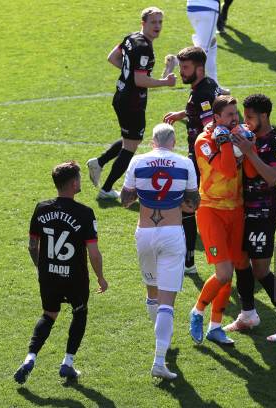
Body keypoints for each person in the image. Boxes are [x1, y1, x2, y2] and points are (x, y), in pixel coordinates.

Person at [14, 161, 108, 384]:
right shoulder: (85, 213)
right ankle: (67, 363)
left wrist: (41, 268)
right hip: (75, 277)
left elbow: (32, 245)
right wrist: (101, 277)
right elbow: (93, 253)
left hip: (49, 275)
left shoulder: (42, 207)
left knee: (49, 314)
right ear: (74, 183)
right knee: (80, 312)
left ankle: (29, 358)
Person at [120, 123, 199, 380]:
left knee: (152, 292)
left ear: (153, 142)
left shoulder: (138, 161)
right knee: (168, 301)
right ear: (173, 142)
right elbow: (193, 203)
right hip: (172, 233)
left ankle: (160, 339)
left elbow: (125, 199)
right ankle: (159, 359)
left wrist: (144, 196)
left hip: (144, 233)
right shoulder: (184, 163)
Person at [228, 94, 276, 341]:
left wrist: (249, 153)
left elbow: (272, 177)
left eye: (250, 117)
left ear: (264, 116)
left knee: (261, 270)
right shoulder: (247, 137)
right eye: (244, 116)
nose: (246, 121)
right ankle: (247, 314)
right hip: (241, 210)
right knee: (240, 261)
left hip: (263, 212)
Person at [87, 7, 176, 201]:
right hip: (132, 102)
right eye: (153, 22)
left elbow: (113, 58)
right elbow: (140, 80)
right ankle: (106, 189)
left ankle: (99, 162)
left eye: (160, 22)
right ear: (143, 23)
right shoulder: (143, 48)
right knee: (131, 146)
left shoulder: (131, 38)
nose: (158, 26)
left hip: (121, 96)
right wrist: (165, 82)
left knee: (130, 139)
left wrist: (130, 73)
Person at [189, 95, 252, 345]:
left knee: (232, 270)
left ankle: (215, 326)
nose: (235, 118)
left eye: (235, 114)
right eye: (229, 115)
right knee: (223, 273)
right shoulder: (204, 141)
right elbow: (226, 169)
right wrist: (226, 141)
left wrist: (244, 141)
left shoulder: (238, 133)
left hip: (236, 209)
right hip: (211, 210)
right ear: (216, 118)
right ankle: (197, 311)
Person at [163, 46, 221, 275]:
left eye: (185, 68)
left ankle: (188, 263)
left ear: (199, 68)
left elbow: (210, 125)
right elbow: (204, 110)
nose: (182, 73)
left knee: (187, 206)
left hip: (200, 158)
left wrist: (204, 159)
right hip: (202, 158)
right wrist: (183, 113)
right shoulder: (207, 85)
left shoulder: (201, 94)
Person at [186, 0, 229, 94]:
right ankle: (175, 60)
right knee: (202, 52)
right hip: (208, 8)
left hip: (192, 7)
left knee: (211, 43)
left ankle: (216, 86)